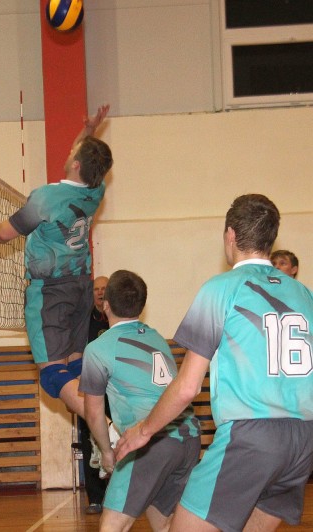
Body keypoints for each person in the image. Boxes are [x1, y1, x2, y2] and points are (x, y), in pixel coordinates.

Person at [115, 194, 313, 532]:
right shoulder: (304, 294)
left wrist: (143, 431)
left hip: (251, 437)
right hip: (303, 438)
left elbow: (188, 387)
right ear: (271, 238)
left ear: (230, 235)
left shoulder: (222, 288)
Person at [0, 105, 113, 418]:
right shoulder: (96, 191)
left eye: (74, 152)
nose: (70, 151)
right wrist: (90, 130)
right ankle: (106, 426)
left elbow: (3, 234)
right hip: (81, 286)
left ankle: (107, 428)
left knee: (53, 374)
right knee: (75, 364)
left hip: (50, 292)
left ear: (76, 163)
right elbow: (84, 158)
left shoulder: (45, 198)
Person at [81, 270, 201, 531]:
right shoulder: (156, 338)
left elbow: (93, 413)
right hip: (188, 436)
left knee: (112, 525)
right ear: (141, 306)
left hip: (149, 441)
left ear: (106, 305)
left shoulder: (98, 349)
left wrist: (107, 452)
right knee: (165, 523)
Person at [78, 275, 110, 514]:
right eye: (96, 289)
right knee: (90, 441)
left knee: (117, 438)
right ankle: (95, 498)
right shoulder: (83, 321)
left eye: (104, 288)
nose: (100, 292)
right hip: (90, 390)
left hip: (115, 391)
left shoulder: (118, 319)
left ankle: (118, 496)